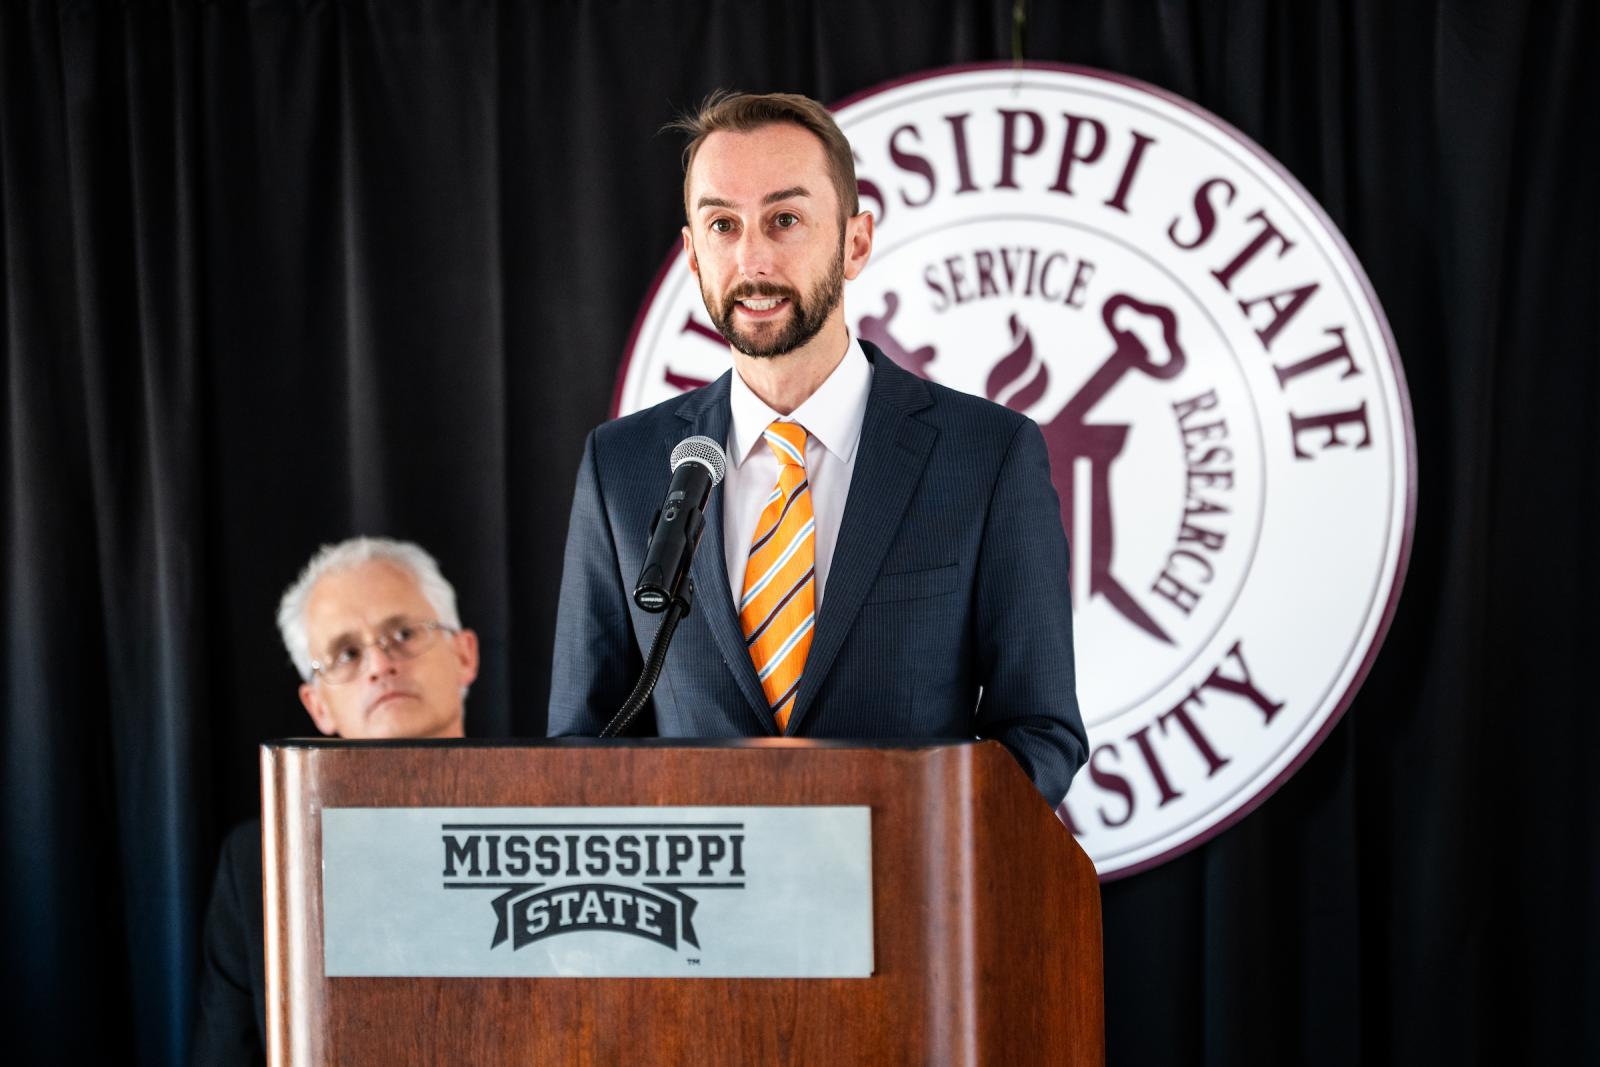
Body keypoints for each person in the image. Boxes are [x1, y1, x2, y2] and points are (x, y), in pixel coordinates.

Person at [548, 91, 1087, 806]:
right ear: (692, 253)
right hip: (695, 914)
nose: (753, 257)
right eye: (722, 225)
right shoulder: (623, 466)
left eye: (786, 219)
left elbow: (1040, 732)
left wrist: (911, 849)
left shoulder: (987, 456)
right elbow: (580, 747)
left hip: (907, 902)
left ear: (855, 242)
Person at [191, 537, 479, 1066]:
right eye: (347, 653)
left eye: (403, 633)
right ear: (317, 704)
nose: (379, 665)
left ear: (464, 654)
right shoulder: (259, 864)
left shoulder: (549, 822)